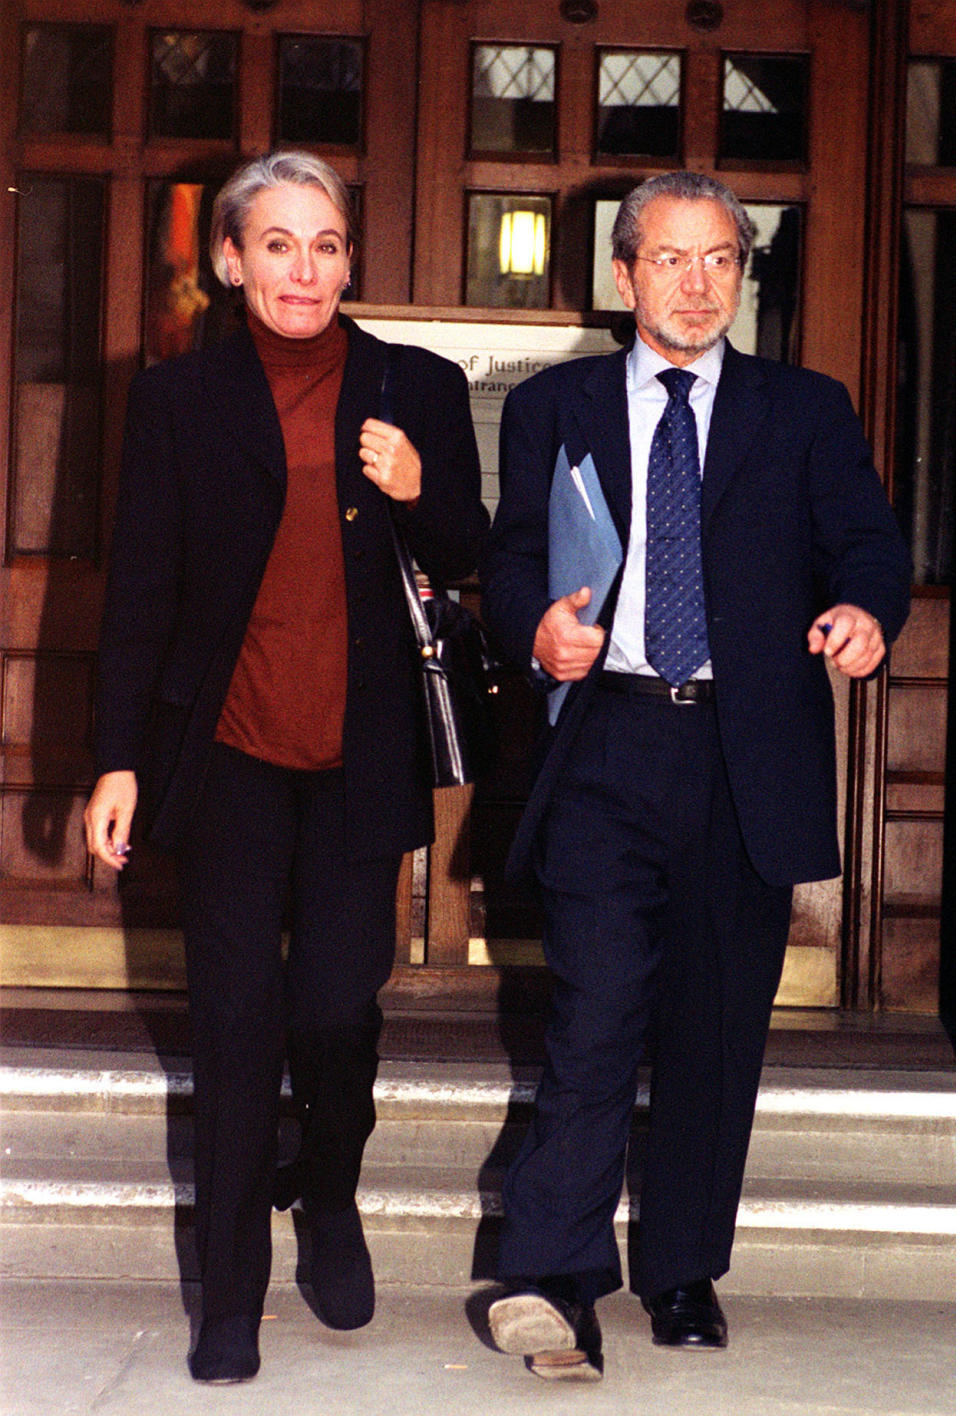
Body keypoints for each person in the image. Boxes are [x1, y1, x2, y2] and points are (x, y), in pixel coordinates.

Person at [480, 171, 910, 1381]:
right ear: (624, 277)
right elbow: (514, 560)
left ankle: (679, 1272)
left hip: (746, 757)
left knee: (716, 1032)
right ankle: (556, 1276)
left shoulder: (805, 409)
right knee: (595, 1009)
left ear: (742, 274)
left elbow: (868, 541)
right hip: (609, 745)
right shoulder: (553, 406)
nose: (698, 282)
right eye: (671, 259)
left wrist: (867, 610)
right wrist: (537, 629)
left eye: (721, 258)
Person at [83, 150, 488, 1384]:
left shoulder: (414, 383)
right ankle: (231, 1302)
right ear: (231, 261)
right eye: (277, 244)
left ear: (348, 261)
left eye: (325, 245)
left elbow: (473, 548)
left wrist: (421, 493)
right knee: (235, 1018)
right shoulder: (177, 401)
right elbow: (140, 591)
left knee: (332, 1010)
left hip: (361, 758)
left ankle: (326, 1192)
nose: (302, 268)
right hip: (229, 756)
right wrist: (117, 763)